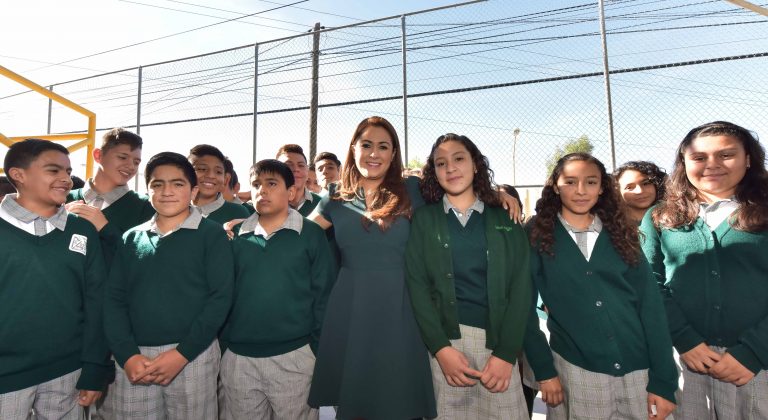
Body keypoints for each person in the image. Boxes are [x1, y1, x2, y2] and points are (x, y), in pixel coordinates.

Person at [525, 152, 678, 419]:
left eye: (591, 182)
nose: (581, 190)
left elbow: (651, 306)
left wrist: (664, 380)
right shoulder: (536, 233)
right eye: (570, 182)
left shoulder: (621, 231)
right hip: (576, 367)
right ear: (555, 187)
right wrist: (544, 371)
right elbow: (523, 308)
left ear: (602, 188)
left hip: (637, 365)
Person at [306, 116, 438, 419]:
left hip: (403, 306)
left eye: (383, 146)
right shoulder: (336, 195)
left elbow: (458, 195)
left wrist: (495, 194)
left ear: (394, 153)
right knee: (356, 401)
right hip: (350, 306)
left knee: (400, 399)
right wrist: (249, 222)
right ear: (353, 149)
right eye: (366, 145)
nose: (374, 153)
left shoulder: (412, 189)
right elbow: (298, 232)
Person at [640, 121, 768, 419]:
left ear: (748, 159)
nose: (712, 165)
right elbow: (647, 283)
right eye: (699, 157)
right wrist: (684, 339)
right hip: (686, 358)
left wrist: (754, 351)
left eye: (726, 155)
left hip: (757, 363)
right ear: (684, 163)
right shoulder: (659, 216)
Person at [405, 133, 531, 419]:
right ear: (434, 172)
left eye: (459, 158)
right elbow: (417, 286)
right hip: (446, 347)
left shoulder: (505, 216)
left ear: (476, 164)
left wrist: (506, 353)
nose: (450, 168)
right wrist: (440, 349)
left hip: (498, 346)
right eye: (441, 163)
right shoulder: (424, 219)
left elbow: (522, 288)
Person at [102, 152, 234, 420]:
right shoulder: (131, 238)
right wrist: (127, 355)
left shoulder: (211, 234)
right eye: (157, 184)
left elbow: (220, 298)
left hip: (193, 355)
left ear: (193, 190)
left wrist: (182, 354)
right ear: (147, 190)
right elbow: (114, 299)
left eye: (177, 183)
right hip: (135, 358)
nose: (167, 191)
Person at [1, 139, 111, 418]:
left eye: (68, 171)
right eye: (53, 170)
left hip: (68, 373)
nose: (66, 179)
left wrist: (95, 366)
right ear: (18, 174)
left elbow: (97, 301)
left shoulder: (83, 230)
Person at [220, 159, 335, 420]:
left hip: (296, 356)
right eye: (256, 184)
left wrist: (315, 349)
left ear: (291, 192)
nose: (262, 190)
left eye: (272, 184)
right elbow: (222, 293)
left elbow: (323, 295)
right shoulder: (234, 235)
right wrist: (226, 345)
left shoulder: (311, 233)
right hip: (239, 359)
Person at [66, 128, 155, 265]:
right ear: (98, 155)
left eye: (136, 162)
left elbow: (144, 260)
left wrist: (105, 228)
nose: (131, 166)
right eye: (122, 157)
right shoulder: (63, 199)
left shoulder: (146, 207)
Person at [188, 145, 250, 224]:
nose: (211, 175)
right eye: (202, 169)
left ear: (225, 180)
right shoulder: (176, 211)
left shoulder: (238, 212)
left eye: (218, 172)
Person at [276, 144, 321, 216]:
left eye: (301, 165)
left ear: (307, 170)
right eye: (288, 165)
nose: (296, 169)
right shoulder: (265, 203)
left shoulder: (321, 204)